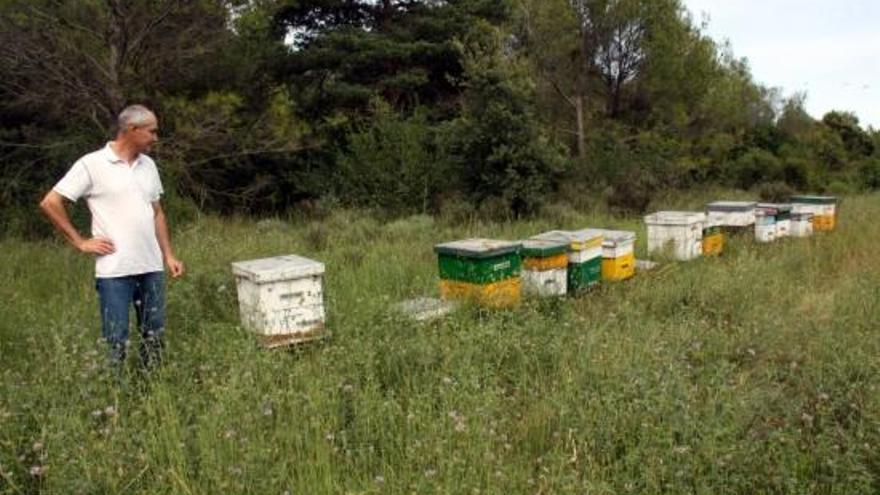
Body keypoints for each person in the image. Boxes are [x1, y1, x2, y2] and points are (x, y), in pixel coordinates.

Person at [39, 104, 185, 377]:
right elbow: (50, 202)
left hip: (151, 267)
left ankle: (152, 387)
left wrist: (169, 255)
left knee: (153, 335)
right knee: (116, 338)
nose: (156, 137)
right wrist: (80, 242)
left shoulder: (148, 165)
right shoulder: (92, 164)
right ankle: (114, 395)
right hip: (115, 270)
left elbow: (156, 212)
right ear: (132, 130)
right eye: (152, 132)